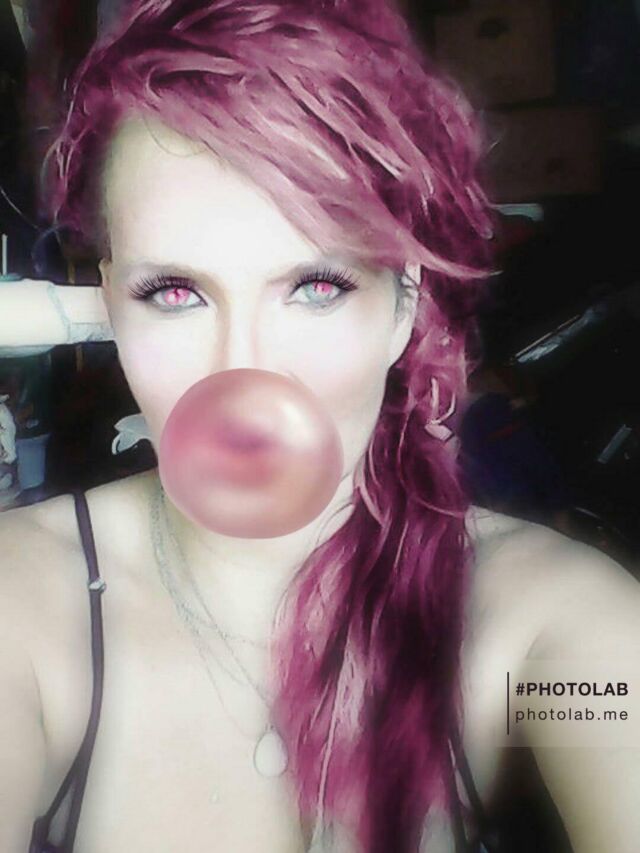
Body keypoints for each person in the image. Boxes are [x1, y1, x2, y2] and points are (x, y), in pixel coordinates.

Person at [1, 1, 639, 851]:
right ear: (112, 301)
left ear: (404, 306)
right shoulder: (19, 601)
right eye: (174, 292)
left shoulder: (559, 628)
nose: (244, 372)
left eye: (317, 285)